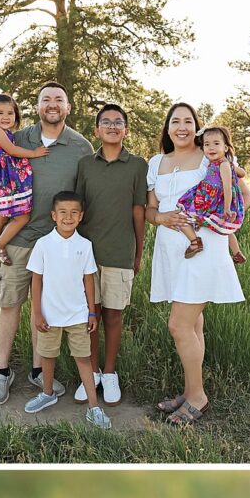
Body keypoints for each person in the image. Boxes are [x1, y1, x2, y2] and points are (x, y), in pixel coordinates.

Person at [0, 82, 93, 406]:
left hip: (56, 244)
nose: (52, 104)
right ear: (36, 107)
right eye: (45, 99)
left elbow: (84, 197)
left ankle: (38, 370)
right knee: (10, 302)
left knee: (44, 307)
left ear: (68, 107)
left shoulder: (80, 146)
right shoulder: (17, 139)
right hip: (18, 240)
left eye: (58, 100)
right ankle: (2, 371)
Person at [145, 103, 244, 426]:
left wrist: (217, 222)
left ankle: (198, 396)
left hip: (202, 248)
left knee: (179, 325)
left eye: (189, 121)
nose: (182, 127)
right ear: (168, 127)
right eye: (176, 121)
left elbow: (244, 194)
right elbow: (150, 210)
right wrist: (160, 217)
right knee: (193, 324)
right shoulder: (156, 162)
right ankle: (189, 392)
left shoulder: (210, 156)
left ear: (198, 128)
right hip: (170, 250)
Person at [74, 104, 147, 406]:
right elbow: (77, 209)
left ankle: (110, 372)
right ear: (97, 130)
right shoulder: (85, 165)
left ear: (126, 130)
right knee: (91, 316)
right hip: (88, 254)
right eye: (106, 122)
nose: (113, 126)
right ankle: (90, 374)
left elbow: (139, 211)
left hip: (120, 252)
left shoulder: (137, 165)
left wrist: (138, 252)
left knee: (113, 315)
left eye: (119, 122)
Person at [25, 193, 111, 430]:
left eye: (74, 212)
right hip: (49, 315)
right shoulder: (43, 244)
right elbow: (36, 281)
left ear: (81, 216)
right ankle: (47, 393)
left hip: (78, 315)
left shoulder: (85, 245)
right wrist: (38, 314)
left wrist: (92, 313)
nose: (68, 217)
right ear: (53, 215)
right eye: (62, 212)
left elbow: (89, 280)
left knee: (84, 358)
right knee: (48, 355)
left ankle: (94, 407)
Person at [0, 93, 50, 271]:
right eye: (0, 113)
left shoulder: (7, 133)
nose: (6, 117)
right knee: (22, 217)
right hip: (3, 184)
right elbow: (12, 150)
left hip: (7, 184)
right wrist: (34, 153)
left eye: (10, 113)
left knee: (1, 219)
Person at [176, 125, 245, 258]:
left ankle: (195, 242)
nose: (211, 147)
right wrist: (235, 169)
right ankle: (237, 253)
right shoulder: (222, 163)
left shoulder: (224, 165)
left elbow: (227, 187)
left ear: (225, 148)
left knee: (183, 214)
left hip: (212, 199)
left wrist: (226, 208)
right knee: (224, 228)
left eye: (216, 143)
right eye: (207, 144)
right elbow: (242, 173)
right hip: (208, 196)